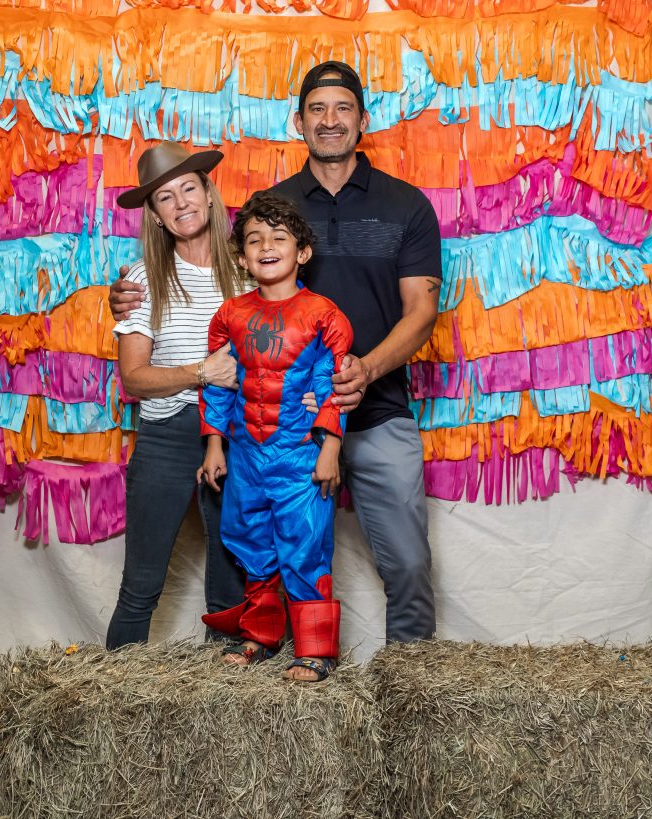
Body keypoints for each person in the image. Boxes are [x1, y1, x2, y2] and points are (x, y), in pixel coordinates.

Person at [110, 61, 442, 646]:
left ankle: (399, 682)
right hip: (245, 431)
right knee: (233, 562)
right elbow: (161, 344)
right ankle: (259, 666)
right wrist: (126, 298)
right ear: (298, 122)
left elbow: (419, 311)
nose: (330, 120)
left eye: (343, 108)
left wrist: (360, 373)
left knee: (384, 563)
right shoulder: (261, 216)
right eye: (317, 109)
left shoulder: (398, 208)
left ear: (363, 120)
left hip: (352, 412)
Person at [198, 191, 353, 682]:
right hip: (245, 456)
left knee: (305, 546)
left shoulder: (325, 314)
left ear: (302, 252)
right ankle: (260, 637)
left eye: (279, 237)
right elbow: (219, 386)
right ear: (242, 257)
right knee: (250, 543)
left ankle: (315, 652)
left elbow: (333, 385)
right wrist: (214, 444)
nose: (266, 246)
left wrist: (330, 449)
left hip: (300, 455)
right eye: (254, 239)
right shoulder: (229, 315)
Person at [105, 141, 247, 650]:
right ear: (155, 215)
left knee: (232, 583)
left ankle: (226, 691)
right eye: (166, 197)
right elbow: (134, 379)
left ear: (209, 194)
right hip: (167, 435)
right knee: (141, 584)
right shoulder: (144, 279)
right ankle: (114, 691)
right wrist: (201, 372)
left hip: (235, 436)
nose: (181, 202)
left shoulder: (249, 272)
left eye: (189, 188)